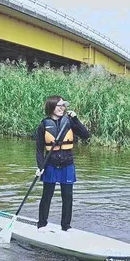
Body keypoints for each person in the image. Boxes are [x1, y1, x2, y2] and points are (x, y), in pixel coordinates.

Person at [35, 96, 90, 232]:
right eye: (58, 105)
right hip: (50, 164)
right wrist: (40, 166)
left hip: (67, 164)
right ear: (51, 107)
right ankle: (42, 224)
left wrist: (76, 119)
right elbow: (39, 149)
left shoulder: (70, 122)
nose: (62, 108)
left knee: (67, 195)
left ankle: (66, 226)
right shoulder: (44, 125)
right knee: (47, 195)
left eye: (63, 105)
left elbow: (85, 135)